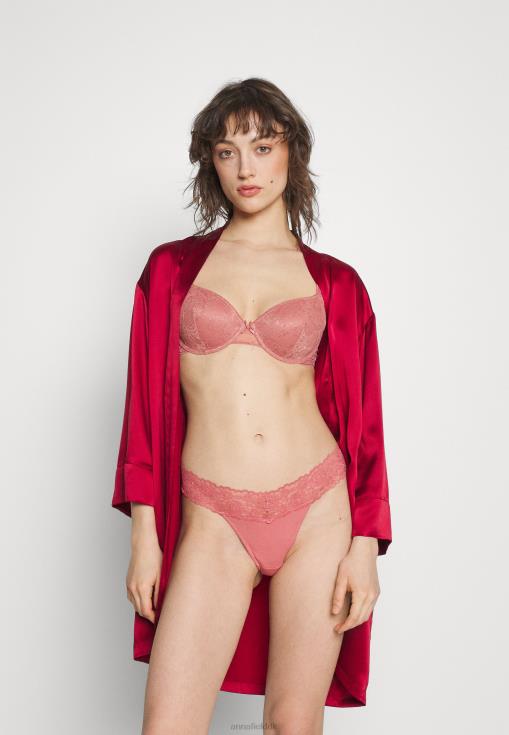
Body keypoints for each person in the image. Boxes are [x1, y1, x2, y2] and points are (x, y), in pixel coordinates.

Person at [112, 78, 392, 734]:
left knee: (292, 724)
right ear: (209, 161)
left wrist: (364, 544)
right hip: (213, 515)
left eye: (262, 147)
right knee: (168, 724)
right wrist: (144, 533)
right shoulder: (170, 271)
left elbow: (366, 421)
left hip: (317, 510)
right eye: (227, 150)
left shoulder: (337, 283)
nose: (246, 168)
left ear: (292, 152)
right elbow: (141, 410)